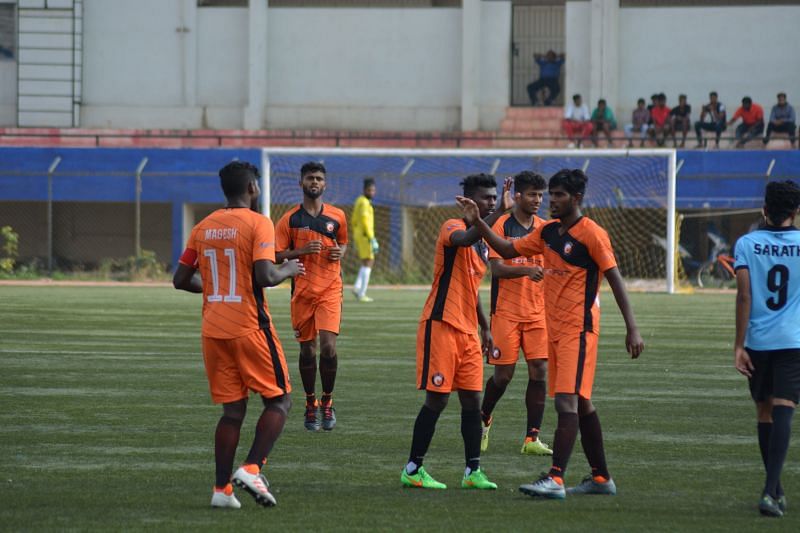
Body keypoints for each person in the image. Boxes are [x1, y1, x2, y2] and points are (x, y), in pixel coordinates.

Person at [456, 168, 644, 500]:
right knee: (581, 403)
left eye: (557, 195)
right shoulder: (549, 233)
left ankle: (555, 478)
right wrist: (479, 222)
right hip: (554, 329)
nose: (551, 201)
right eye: (549, 194)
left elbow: (615, 279)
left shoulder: (592, 234)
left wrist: (632, 327)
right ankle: (601, 478)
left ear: (577, 199)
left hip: (579, 330)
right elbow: (505, 248)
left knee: (567, 403)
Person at [173, 161, 304, 509]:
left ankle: (221, 490)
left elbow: (180, 279)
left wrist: (215, 289)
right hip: (249, 327)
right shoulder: (258, 222)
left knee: (233, 412)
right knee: (280, 400)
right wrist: (288, 268)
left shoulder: (203, 226)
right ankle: (251, 468)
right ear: (252, 188)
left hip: (213, 330)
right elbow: (265, 276)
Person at [400, 174, 513, 491]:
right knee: (436, 400)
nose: (492, 202)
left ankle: (472, 472)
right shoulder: (452, 227)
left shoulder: (483, 241)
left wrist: (485, 327)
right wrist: (497, 214)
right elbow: (462, 239)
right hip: (441, 325)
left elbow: (473, 287)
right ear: (469, 200)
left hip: (468, 333)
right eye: (486, 198)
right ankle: (412, 469)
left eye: (494, 198)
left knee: (473, 402)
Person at [733, 180, 800, 518]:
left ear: (764, 208)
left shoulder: (747, 243)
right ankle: (771, 490)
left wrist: (739, 345)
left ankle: (773, 489)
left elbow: (744, 296)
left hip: (758, 341)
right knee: (785, 407)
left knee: (764, 412)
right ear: (795, 212)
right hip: (793, 340)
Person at [479, 171, 552, 457]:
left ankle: (531, 438)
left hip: (537, 313)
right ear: (518, 195)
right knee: (503, 376)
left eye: (541, 195)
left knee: (539, 371)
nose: (538, 200)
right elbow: (496, 269)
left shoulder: (546, 228)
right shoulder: (500, 224)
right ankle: (484, 418)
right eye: (533, 194)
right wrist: (526, 269)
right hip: (506, 313)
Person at [275, 162, 348, 432]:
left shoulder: (338, 216)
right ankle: (310, 402)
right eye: (309, 178)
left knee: (328, 348)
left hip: (330, 289)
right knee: (308, 350)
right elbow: (274, 255)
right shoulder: (290, 219)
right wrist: (300, 251)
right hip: (303, 292)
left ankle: (327, 401)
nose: (314, 182)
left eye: (318, 178)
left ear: (325, 184)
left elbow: (343, 241)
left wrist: (341, 252)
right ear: (301, 183)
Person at [351, 178, 379, 302]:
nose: (372, 192)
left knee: (365, 262)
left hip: (360, 235)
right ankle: (362, 293)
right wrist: (371, 238)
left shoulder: (359, 201)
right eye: (369, 190)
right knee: (369, 261)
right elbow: (365, 221)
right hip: (365, 236)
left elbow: (353, 220)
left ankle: (357, 287)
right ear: (364, 190)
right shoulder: (364, 203)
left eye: (373, 190)